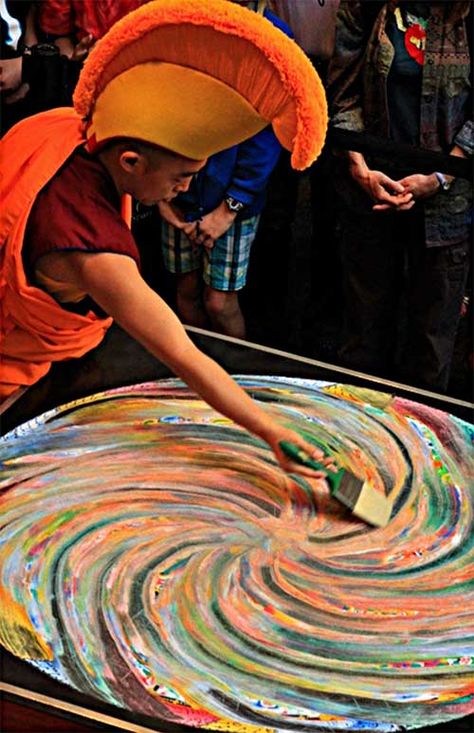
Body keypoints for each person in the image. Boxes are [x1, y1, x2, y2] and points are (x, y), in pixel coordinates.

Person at [0, 0, 330, 477]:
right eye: (181, 177)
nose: (186, 188)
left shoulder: (55, 127)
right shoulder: (95, 253)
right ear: (131, 161)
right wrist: (271, 431)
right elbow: (183, 354)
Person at [327, 0, 472, 392]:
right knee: (362, 334)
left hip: (447, 204)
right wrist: (358, 165)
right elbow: (343, 89)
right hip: (371, 192)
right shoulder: (366, 5)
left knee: (430, 346)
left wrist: (441, 175)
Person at [158, 0, 292, 339]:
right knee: (186, 288)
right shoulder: (179, 24)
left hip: (232, 200)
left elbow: (268, 133)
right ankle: (197, 374)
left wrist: (229, 207)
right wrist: (160, 197)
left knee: (219, 301)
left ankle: (233, 377)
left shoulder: (272, 36)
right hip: (174, 188)